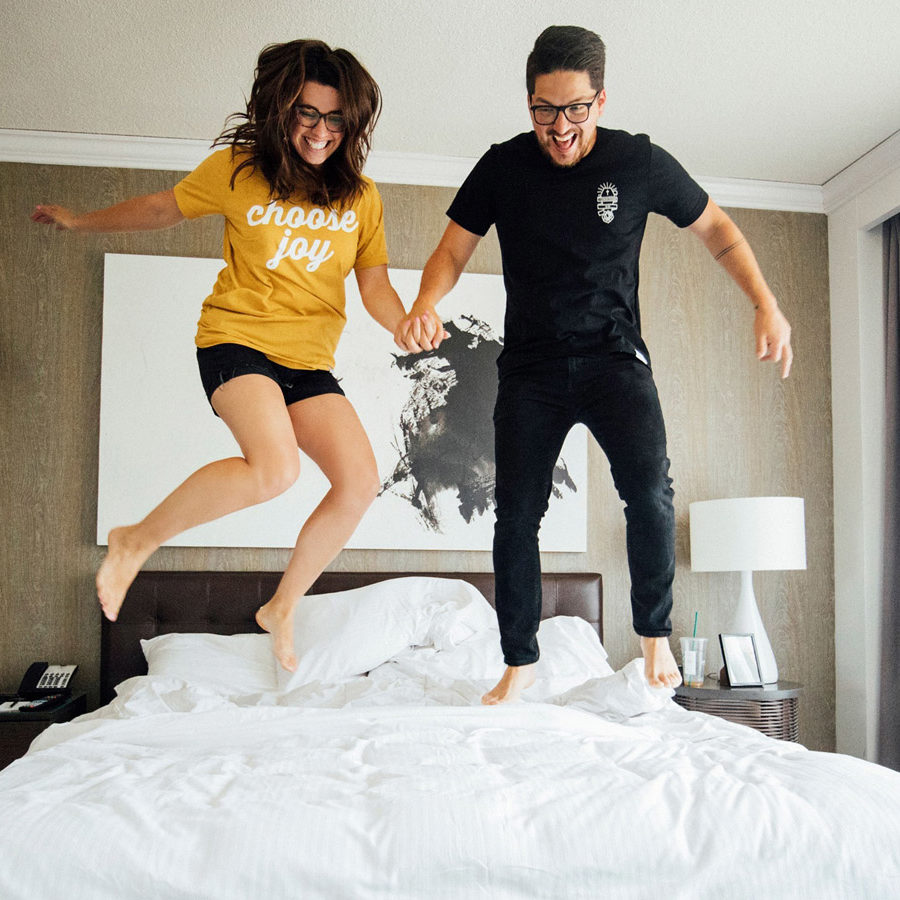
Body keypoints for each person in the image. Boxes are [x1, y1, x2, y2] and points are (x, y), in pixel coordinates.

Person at [394, 25, 793, 704]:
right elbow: (453, 249)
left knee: (651, 493)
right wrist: (425, 302)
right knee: (516, 514)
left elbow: (717, 229)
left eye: (575, 108)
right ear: (529, 105)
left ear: (600, 100)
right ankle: (518, 661)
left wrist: (766, 302)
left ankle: (653, 639)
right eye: (545, 110)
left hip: (614, 359)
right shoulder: (502, 167)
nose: (560, 127)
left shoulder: (637, 163)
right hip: (530, 370)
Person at [32, 39, 408, 672]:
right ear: (281, 109)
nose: (320, 131)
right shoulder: (240, 169)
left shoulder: (360, 197)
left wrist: (406, 324)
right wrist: (80, 222)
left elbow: (374, 285)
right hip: (237, 339)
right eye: (306, 113)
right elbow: (159, 208)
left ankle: (282, 606)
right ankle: (136, 540)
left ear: (353, 123)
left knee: (360, 483)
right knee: (274, 470)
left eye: (335, 118)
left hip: (307, 362)